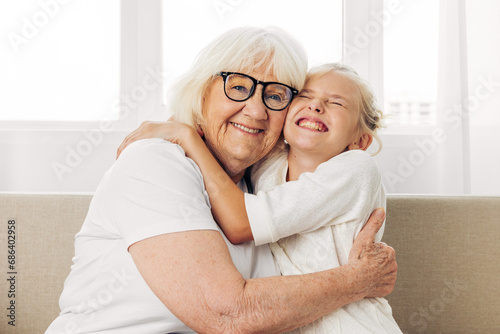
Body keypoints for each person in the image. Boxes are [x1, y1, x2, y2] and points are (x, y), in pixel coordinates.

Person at [47, 27, 397, 334]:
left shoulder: (257, 185)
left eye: (275, 96)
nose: (256, 110)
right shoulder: (153, 162)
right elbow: (227, 313)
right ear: (201, 93)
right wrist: (358, 280)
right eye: (238, 87)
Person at [118, 63, 402, 333]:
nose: (316, 105)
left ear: (360, 141)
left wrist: (186, 137)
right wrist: (185, 122)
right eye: (305, 96)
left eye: (337, 103)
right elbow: (228, 139)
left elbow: (240, 223)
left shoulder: (356, 170)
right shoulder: (270, 164)